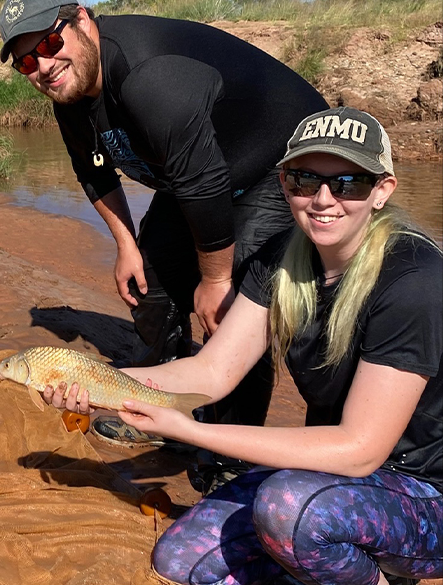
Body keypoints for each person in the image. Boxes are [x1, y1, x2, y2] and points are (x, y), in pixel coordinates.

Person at [46, 106, 443, 585]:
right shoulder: (281, 258)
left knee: (289, 509)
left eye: (347, 183)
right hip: (329, 478)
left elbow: (359, 449)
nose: (322, 199)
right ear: (283, 184)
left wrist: (189, 430)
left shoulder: (415, 280)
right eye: (303, 179)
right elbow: (211, 373)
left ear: (382, 191)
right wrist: (93, 382)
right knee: (179, 561)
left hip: (423, 493)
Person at [0, 0, 329, 486]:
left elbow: (205, 181)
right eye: (26, 61)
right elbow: (95, 172)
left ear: (83, 20)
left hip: (275, 163)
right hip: (195, 172)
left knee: (234, 311)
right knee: (149, 286)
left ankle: (229, 459)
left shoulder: (149, 78)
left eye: (48, 43)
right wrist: (127, 245)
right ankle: (164, 417)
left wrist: (214, 281)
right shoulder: (68, 94)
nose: (42, 66)